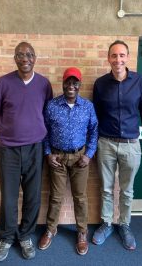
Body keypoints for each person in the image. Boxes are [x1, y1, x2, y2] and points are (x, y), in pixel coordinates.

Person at [0, 41, 53, 262]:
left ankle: (25, 236)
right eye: (20, 55)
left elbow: (46, 112)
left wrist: (33, 131)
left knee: (33, 197)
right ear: (14, 58)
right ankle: (6, 237)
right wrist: (8, 132)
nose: (25, 58)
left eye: (29, 54)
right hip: (8, 150)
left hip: (35, 148)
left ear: (35, 58)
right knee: (9, 198)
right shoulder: (3, 83)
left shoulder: (44, 84)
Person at [92, 40, 142, 250]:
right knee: (107, 189)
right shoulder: (100, 84)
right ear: (108, 58)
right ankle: (107, 223)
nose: (117, 59)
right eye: (113, 55)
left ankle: (124, 224)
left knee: (127, 190)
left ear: (127, 57)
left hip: (131, 145)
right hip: (106, 144)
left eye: (121, 55)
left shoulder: (140, 82)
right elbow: (96, 117)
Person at [38, 67, 98, 255]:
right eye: (68, 82)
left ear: (79, 85)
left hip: (80, 158)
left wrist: (89, 154)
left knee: (80, 198)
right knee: (55, 197)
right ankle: (50, 229)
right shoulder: (52, 106)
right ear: (63, 83)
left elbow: (94, 131)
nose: (71, 86)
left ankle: (82, 232)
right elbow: (44, 131)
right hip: (57, 159)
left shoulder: (87, 106)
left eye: (75, 82)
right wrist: (48, 153)